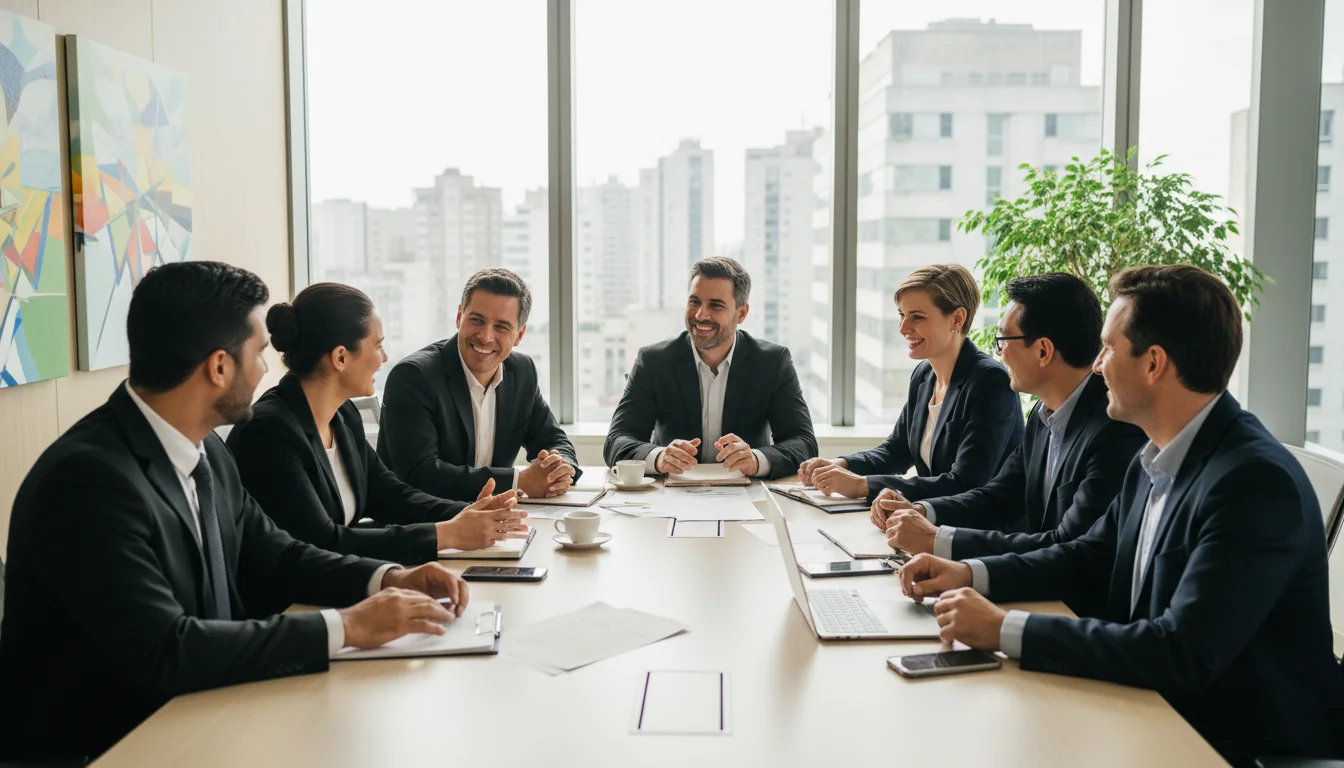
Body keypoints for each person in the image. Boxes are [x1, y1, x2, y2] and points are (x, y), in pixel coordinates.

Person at [0, 262, 478, 762]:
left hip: (203, 715)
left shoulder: (208, 452)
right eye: (258, 353)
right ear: (219, 367)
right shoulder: (89, 481)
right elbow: (167, 649)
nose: (267, 369)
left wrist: (388, 578)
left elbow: (278, 553)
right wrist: (347, 627)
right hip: (113, 744)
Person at [898, 265, 1344, 767]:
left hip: (1234, 744)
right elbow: (1088, 553)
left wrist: (1006, 629)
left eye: (1108, 348)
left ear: (1153, 363)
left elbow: (1181, 650)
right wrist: (970, 573)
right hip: (1152, 706)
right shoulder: (1155, 455)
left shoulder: (1253, 483)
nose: (1095, 365)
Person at [226, 283, 529, 594]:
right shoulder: (270, 433)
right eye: (378, 345)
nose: (384, 358)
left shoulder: (342, 416)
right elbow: (322, 541)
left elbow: (388, 494)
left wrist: (466, 514)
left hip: (337, 588)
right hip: (287, 606)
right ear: (341, 357)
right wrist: (446, 534)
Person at [878, 275, 1145, 614]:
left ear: (1044, 350)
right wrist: (923, 512)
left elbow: (1067, 544)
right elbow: (1000, 495)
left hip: (1073, 612)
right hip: (1034, 592)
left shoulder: (1115, 429)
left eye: (1003, 340)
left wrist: (939, 541)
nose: (998, 352)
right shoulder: (1043, 412)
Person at [799, 264, 1022, 503]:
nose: (903, 328)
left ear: (957, 319)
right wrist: (841, 465)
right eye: (902, 315)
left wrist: (863, 485)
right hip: (930, 520)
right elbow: (896, 451)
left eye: (917, 317)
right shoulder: (924, 375)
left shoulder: (990, 382)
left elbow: (965, 482)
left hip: (981, 530)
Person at [603, 257, 816, 478]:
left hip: (748, 494)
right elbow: (617, 441)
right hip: (671, 495)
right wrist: (658, 457)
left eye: (715, 305)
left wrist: (755, 460)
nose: (700, 315)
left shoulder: (772, 362)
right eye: (694, 302)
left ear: (741, 313)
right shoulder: (654, 361)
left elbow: (803, 443)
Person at [377, 268, 580, 501]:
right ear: (459, 317)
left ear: (519, 335)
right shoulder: (414, 376)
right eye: (476, 320)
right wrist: (517, 481)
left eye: (501, 327)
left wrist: (559, 467)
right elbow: (419, 473)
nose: (485, 336)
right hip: (423, 526)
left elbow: (552, 439)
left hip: (494, 521)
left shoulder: (522, 371)